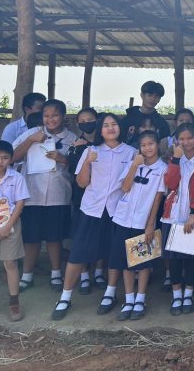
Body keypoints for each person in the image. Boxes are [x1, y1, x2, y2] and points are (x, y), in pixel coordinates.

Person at [52, 113, 137, 320]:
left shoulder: (131, 152)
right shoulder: (90, 150)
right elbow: (81, 183)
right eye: (106, 125)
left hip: (118, 211)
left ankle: (110, 293)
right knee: (78, 253)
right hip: (92, 208)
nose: (110, 128)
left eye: (114, 124)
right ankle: (65, 297)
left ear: (120, 128)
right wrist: (87, 163)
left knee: (115, 254)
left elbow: (130, 185)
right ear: (100, 130)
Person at [12, 99, 77, 292]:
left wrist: (62, 158)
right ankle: (27, 275)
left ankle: (56, 273)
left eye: (55, 115)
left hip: (59, 194)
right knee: (31, 237)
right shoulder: (31, 133)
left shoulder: (72, 138)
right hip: (32, 194)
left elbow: (77, 167)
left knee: (54, 237)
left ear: (63, 117)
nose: (51, 119)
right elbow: (13, 157)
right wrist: (31, 140)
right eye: (46, 116)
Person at [109, 131, 166, 321]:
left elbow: (158, 199)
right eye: (143, 145)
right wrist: (135, 165)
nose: (147, 148)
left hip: (144, 221)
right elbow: (125, 187)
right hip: (123, 218)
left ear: (157, 145)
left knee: (142, 262)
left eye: (151, 144)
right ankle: (129, 299)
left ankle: (140, 299)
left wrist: (150, 224)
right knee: (125, 262)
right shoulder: (133, 164)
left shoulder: (162, 169)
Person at [161, 123, 194, 316]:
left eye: (189, 138)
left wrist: (193, 214)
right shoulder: (174, 159)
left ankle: (188, 294)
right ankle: (176, 296)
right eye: (181, 139)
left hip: (193, 216)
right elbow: (170, 183)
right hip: (173, 214)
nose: (186, 142)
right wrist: (175, 159)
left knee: (191, 258)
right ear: (176, 141)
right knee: (174, 260)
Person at [66, 107, 102, 294]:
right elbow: (72, 169)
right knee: (82, 236)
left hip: (103, 197)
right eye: (83, 120)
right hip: (82, 196)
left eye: (90, 119)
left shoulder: (105, 143)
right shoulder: (76, 145)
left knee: (101, 235)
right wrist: (80, 149)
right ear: (77, 123)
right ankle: (84, 274)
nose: (87, 123)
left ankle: (99, 272)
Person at [0, 140, 29, 321]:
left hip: (11, 224)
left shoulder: (16, 178)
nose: (0, 161)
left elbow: (20, 203)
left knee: (11, 263)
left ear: (11, 159)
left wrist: (8, 226)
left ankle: (14, 303)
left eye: (4, 158)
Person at [120, 81, 170, 146]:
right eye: (150, 95)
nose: (153, 99)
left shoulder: (161, 123)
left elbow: (166, 145)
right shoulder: (128, 120)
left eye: (156, 96)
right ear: (142, 95)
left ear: (159, 99)